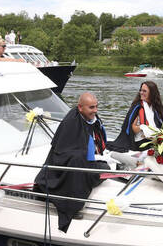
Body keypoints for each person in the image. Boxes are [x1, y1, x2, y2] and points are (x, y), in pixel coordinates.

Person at [34, 92, 109, 232]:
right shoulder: (71, 122)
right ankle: (72, 207)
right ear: (80, 108)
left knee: (105, 167)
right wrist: (83, 155)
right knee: (85, 163)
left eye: (96, 107)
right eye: (91, 107)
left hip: (84, 158)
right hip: (65, 164)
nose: (95, 111)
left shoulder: (88, 118)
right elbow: (64, 151)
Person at [108, 81, 163, 152]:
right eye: (141, 90)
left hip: (155, 141)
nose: (141, 93)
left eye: (144, 91)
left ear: (152, 93)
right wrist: (144, 128)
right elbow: (133, 128)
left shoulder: (158, 108)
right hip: (140, 142)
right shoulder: (137, 107)